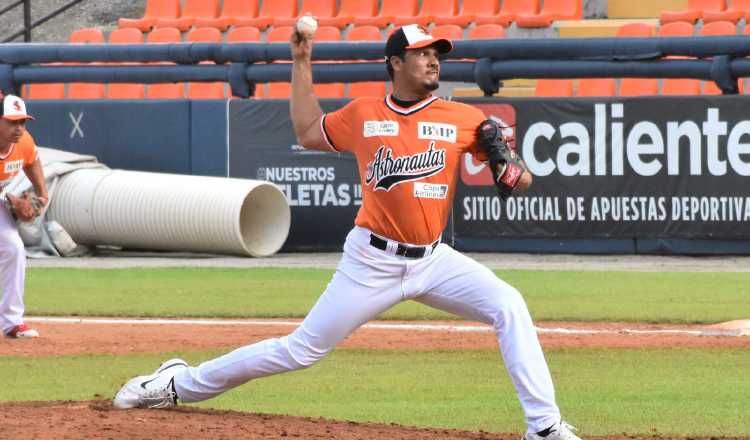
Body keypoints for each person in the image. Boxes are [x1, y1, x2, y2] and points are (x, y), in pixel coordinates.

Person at [113, 24, 583, 440]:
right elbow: (306, 131)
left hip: (435, 260)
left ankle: (543, 426)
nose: (433, 59)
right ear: (395, 63)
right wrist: (300, 62)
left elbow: (520, 181)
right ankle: (176, 383)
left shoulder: (463, 118)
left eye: (437, 52)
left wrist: (506, 161)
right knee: (300, 351)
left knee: (509, 305)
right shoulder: (363, 114)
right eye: (421, 52)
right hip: (372, 261)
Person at [0, 94, 48, 339]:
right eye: (12, 121)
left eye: (22, 121)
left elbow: (32, 162)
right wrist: (13, 201)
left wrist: (41, 197)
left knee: (14, 248)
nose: (18, 128)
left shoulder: (24, 142)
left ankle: (12, 322)